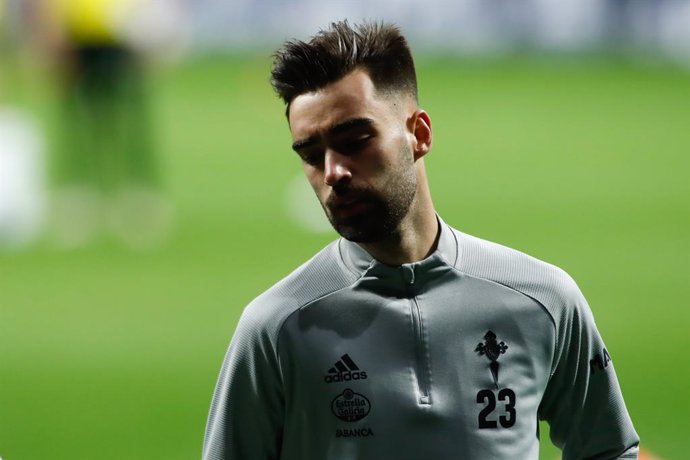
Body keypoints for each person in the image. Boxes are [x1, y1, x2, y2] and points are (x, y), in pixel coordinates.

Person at [203, 20, 639, 460]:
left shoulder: (543, 299)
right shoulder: (275, 328)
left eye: (354, 140)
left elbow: (607, 450)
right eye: (312, 156)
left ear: (420, 134)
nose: (333, 172)